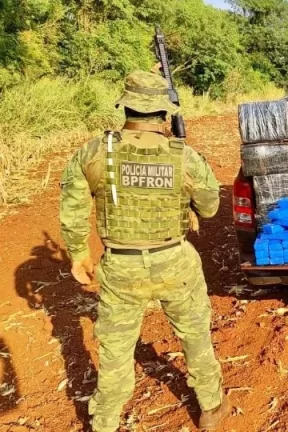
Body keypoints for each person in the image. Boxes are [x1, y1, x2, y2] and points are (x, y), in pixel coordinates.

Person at [59, 71, 229, 431]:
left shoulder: (94, 151)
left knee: (116, 352)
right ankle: (211, 408)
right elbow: (211, 206)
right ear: (164, 113)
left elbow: (73, 209)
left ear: (126, 106)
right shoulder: (185, 156)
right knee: (195, 336)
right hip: (174, 261)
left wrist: (78, 253)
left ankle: (104, 421)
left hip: (121, 267)